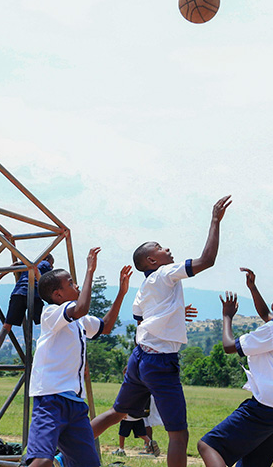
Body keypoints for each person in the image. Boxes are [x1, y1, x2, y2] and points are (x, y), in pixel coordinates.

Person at [90, 195, 232, 467]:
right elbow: (207, 260)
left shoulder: (144, 287)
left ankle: (63, 453)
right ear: (152, 260)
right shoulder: (167, 273)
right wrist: (214, 220)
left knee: (117, 412)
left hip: (140, 357)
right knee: (178, 432)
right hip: (160, 361)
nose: (167, 249)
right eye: (160, 248)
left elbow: (140, 319)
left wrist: (175, 313)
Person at [197, 268, 273, 467]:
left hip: (263, 408)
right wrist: (253, 288)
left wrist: (227, 316)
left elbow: (229, 347)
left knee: (209, 446)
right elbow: (265, 314)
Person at [27, 247, 129, 467]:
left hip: (75, 403)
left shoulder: (80, 321)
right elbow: (81, 308)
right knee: (43, 461)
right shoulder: (51, 313)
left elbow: (106, 326)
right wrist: (90, 270)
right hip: (50, 399)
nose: (77, 285)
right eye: (71, 283)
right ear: (58, 295)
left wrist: (121, 293)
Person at [0, 253, 54, 363]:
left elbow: (14, 264)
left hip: (18, 293)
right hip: (35, 294)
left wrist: (0, 276)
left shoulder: (28, 263)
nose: (52, 266)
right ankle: (47, 355)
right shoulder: (45, 264)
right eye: (52, 263)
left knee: (7, 325)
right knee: (45, 323)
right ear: (47, 259)